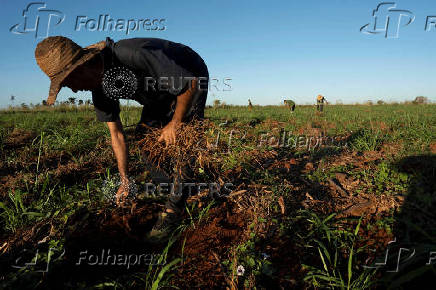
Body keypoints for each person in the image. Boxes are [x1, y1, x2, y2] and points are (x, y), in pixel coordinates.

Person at [35, 36, 209, 240]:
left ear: (81, 68)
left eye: (69, 82)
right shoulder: (99, 90)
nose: (73, 89)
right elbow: (116, 134)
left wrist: (176, 123)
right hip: (158, 93)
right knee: (145, 137)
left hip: (189, 75)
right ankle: (173, 187)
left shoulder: (132, 54)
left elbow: (189, 82)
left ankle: (174, 210)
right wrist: (125, 180)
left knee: (181, 139)